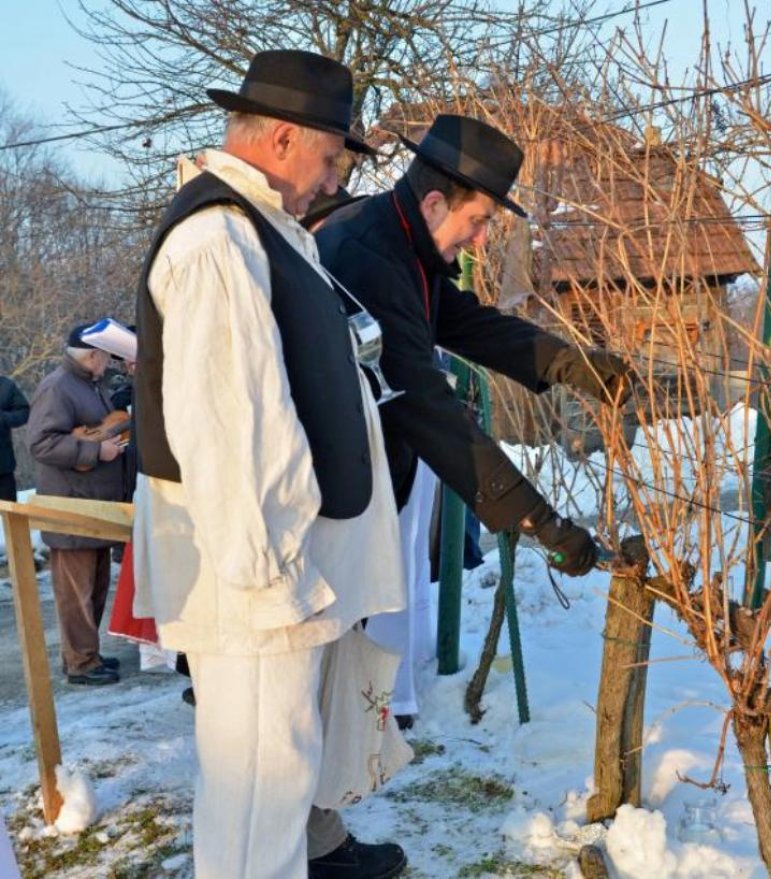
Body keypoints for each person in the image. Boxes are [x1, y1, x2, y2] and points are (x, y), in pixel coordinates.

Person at [131, 50, 407, 879]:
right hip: (258, 584)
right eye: (330, 158)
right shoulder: (217, 240)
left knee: (269, 793)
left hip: (272, 574)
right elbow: (232, 425)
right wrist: (270, 580)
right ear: (284, 138)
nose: (331, 182)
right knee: (258, 799)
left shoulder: (256, 232)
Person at [316, 114, 633, 719]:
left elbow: (459, 319)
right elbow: (424, 404)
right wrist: (538, 522)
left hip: (368, 469)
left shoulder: (398, 239)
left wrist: (570, 364)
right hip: (332, 487)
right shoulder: (369, 255)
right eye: (479, 221)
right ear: (436, 203)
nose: (481, 239)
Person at [26, 324, 127, 685]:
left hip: (92, 507)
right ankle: (79, 663)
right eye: (105, 356)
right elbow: (40, 444)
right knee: (76, 594)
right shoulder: (57, 387)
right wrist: (96, 450)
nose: (108, 363)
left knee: (94, 587)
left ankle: (88, 654)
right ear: (92, 356)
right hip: (71, 507)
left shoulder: (89, 384)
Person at [0, 375, 30, 502]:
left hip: (3, 467)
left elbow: (24, 412)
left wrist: (2, 419)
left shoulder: (6, 386)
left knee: (11, 516)